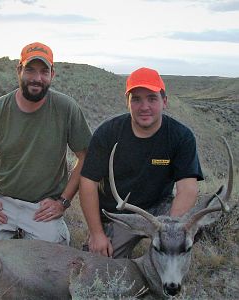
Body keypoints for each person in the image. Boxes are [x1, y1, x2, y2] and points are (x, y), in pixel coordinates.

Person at [0, 41, 92, 245]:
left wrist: (63, 201)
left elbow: (85, 155)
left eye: (44, 71)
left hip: (42, 208)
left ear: (52, 74)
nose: (37, 78)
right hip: (2, 203)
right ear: (19, 70)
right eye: (30, 70)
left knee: (52, 261)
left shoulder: (66, 109)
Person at [79, 67, 203, 258]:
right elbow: (88, 183)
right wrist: (97, 234)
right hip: (120, 213)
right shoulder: (108, 133)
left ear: (165, 102)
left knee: (186, 232)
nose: (144, 107)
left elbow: (187, 189)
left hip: (159, 209)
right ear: (127, 103)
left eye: (152, 98)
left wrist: (170, 231)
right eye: (136, 99)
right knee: (101, 263)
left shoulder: (181, 136)